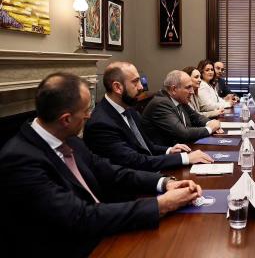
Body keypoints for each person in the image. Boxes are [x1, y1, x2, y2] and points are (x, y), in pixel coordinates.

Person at [0, 72, 202, 257]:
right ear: (66, 119)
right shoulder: (20, 160)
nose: (89, 115)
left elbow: (111, 172)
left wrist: (164, 182)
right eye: (86, 110)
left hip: (102, 229)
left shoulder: (69, 139)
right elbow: (79, 217)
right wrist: (161, 204)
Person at [83, 62, 211, 172]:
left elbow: (147, 146)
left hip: (149, 171)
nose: (141, 87)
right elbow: (134, 161)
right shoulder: (101, 123)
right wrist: (185, 158)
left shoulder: (129, 110)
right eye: (135, 82)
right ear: (117, 87)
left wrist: (169, 150)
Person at [142, 70, 222, 149]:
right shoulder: (161, 103)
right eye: (188, 87)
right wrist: (209, 129)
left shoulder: (179, 99)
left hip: (183, 147)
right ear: (173, 89)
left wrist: (211, 122)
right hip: (166, 154)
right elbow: (183, 133)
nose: (192, 92)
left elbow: (196, 117)